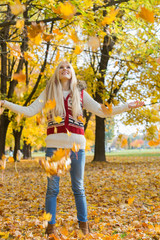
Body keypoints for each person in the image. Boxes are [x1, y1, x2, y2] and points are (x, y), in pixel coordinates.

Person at [0, 61, 144, 238]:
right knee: (52, 189)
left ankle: (84, 226)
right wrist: (5, 103)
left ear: (72, 72)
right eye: (61, 67)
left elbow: (103, 111)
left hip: (77, 147)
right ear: (57, 72)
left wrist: (127, 106)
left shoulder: (81, 94)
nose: (65, 69)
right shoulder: (49, 92)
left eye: (68, 67)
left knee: (78, 188)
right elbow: (29, 111)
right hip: (54, 147)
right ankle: (50, 228)